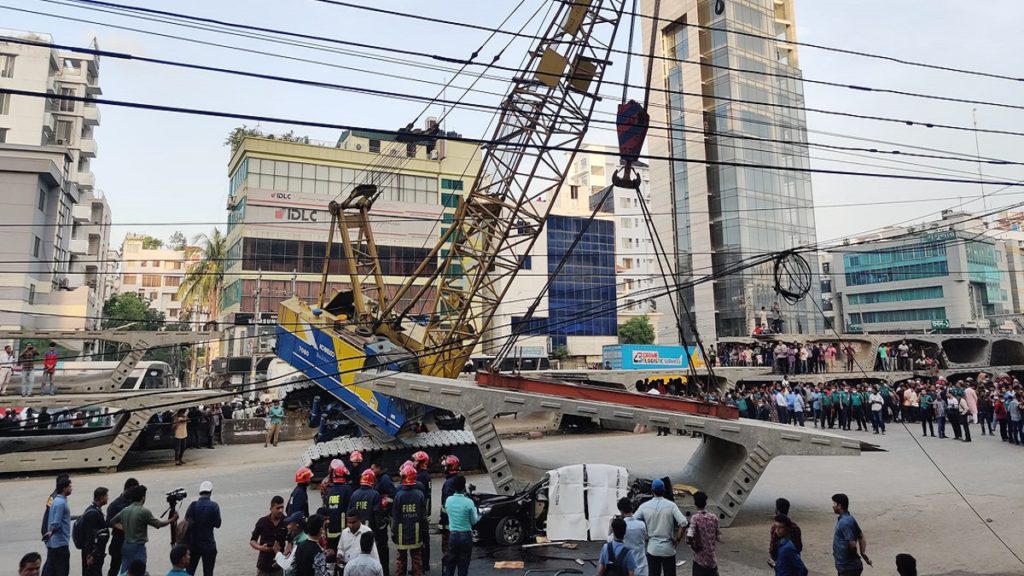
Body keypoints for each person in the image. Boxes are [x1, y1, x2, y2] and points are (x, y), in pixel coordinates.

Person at [111, 485, 177, 574]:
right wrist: (172, 519)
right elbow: (158, 524)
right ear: (143, 497)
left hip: (126, 545)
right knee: (140, 571)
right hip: (138, 547)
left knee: (125, 571)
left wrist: (125, 528)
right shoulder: (143, 511)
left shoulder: (125, 510)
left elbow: (113, 522)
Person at [634, 479, 686, 576]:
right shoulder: (671, 505)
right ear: (664, 490)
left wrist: (645, 536)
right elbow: (683, 523)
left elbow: (634, 520)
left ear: (652, 491)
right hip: (668, 549)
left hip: (652, 549)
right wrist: (677, 539)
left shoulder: (644, 506)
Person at [351, 470, 387, 576]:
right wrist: (383, 525)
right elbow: (377, 515)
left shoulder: (354, 494)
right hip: (371, 533)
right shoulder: (375, 494)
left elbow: (350, 513)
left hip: (356, 532)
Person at [392, 465, 426, 576]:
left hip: (401, 533)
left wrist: (393, 532)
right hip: (416, 533)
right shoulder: (419, 495)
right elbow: (423, 517)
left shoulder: (399, 495)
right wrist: (424, 532)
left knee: (401, 559)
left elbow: (395, 517)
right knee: (416, 558)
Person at [441, 475, 478, 576]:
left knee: (450, 564)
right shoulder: (469, 502)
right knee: (463, 566)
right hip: (466, 536)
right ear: (463, 487)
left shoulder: (449, 500)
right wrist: (475, 508)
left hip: (453, 535)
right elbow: (474, 521)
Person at [185, 481, 221, 576]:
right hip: (209, 544)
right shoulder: (214, 506)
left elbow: (186, 523)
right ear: (210, 492)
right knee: (208, 572)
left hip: (194, 545)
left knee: (189, 572)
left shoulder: (193, 505)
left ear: (200, 492)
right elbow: (218, 524)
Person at [106, 478, 140, 576]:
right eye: (134, 490)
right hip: (118, 541)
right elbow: (108, 522)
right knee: (115, 567)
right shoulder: (115, 504)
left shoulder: (134, 502)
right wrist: (122, 527)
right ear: (128, 489)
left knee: (132, 568)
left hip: (131, 541)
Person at [831, 493, 871, 576]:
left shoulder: (844, 522)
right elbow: (860, 535)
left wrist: (852, 557)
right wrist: (863, 553)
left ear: (839, 506)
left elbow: (852, 544)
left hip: (848, 568)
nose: (833, 506)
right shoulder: (849, 518)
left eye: (834, 503)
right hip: (847, 568)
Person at [43, 475, 73, 576]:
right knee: (62, 571)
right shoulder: (61, 503)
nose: (71, 488)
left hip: (53, 544)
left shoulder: (56, 500)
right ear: (64, 488)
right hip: (60, 544)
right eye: (69, 486)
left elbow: (62, 518)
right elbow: (56, 523)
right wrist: (51, 532)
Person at [250, 496, 288, 576]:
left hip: (279, 566)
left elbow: (291, 542)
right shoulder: (262, 522)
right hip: (263, 565)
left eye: (282, 507)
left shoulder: (286, 521)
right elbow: (252, 540)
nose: (281, 510)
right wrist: (261, 547)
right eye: (278, 508)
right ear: (271, 508)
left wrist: (282, 556)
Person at [610, 497, 647, 576]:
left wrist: (611, 525)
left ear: (621, 511)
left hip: (625, 567)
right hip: (641, 567)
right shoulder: (641, 525)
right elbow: (646, 538)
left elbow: (610, 541)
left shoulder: (620, 526)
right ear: (632, 507)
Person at [686, 491, 720, 576]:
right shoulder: (714, 517)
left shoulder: (695, 518)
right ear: (705, 503)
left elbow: (689, 535)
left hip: (699, 559)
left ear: (695, 503)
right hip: (711, 557)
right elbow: (717, 535)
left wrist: (693, 546)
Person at [324, 461, 354, 555]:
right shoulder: (347, 489)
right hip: (343, 529)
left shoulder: (329, 490)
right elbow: (351, 508)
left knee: (332, 553)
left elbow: (326, 506)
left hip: (330, 529)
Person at [80, 486, 111, 576]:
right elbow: (89, 536)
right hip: (92, 553)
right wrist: (90, 554)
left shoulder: (95, 510)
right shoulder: (93, 514)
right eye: (106, 496)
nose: (107, 498)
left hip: (96, 552)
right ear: (101, 498)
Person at [411, 451, 432, 572]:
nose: (414, 463)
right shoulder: (426, 475)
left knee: (422, 540)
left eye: (415, 461)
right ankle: (425, 564)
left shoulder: (420, 477)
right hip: (425, 512)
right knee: (425, 539)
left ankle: (422, 566)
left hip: (421, 513)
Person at [768, 498, 801, 566]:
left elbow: (773, 547)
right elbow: (799, 546)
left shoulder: (775, 528)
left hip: (781, 560)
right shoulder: (795, 527)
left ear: (777, 510)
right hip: (794, 559)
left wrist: (774, 561)